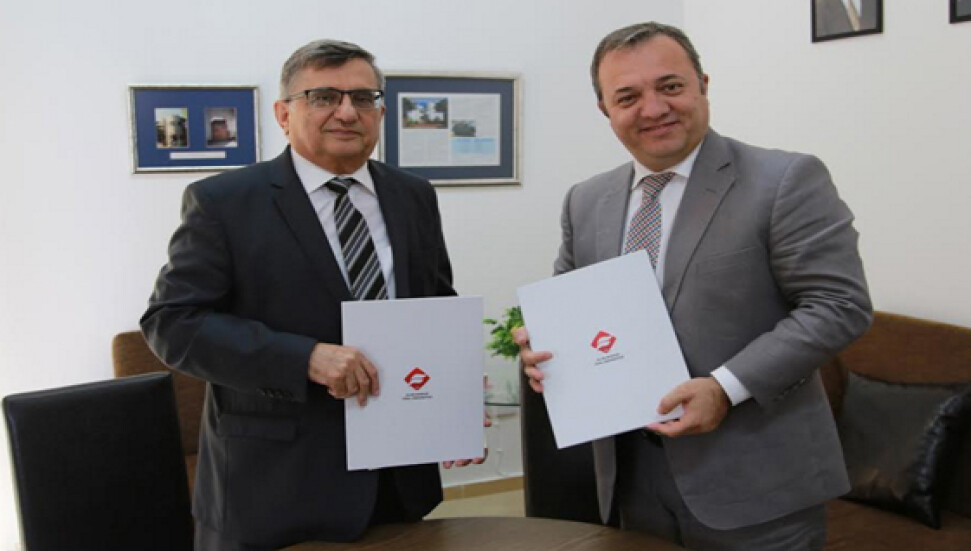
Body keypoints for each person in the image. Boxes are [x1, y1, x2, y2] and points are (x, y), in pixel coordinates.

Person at [515, 22, 871, 550]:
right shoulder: (586, 201)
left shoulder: (785, 180)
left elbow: (839, 305)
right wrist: (545, 350)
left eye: (671, 86)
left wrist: (725, 388)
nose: (654, 108)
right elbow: (572, 310)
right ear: (605, 109)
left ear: (703, 84)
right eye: (628, 97)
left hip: (757, 482)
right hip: (631, 479)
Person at [141, 39, 480, 551]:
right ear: (284, 114)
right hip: (274, 489)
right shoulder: (223, 202)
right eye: (323, 97)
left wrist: (453, 393)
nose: (347, 112)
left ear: (380, 112)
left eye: (363, 98)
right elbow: (172, 323)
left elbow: (435, 306)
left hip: (397, 482)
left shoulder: (413, 195)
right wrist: (305, 359)